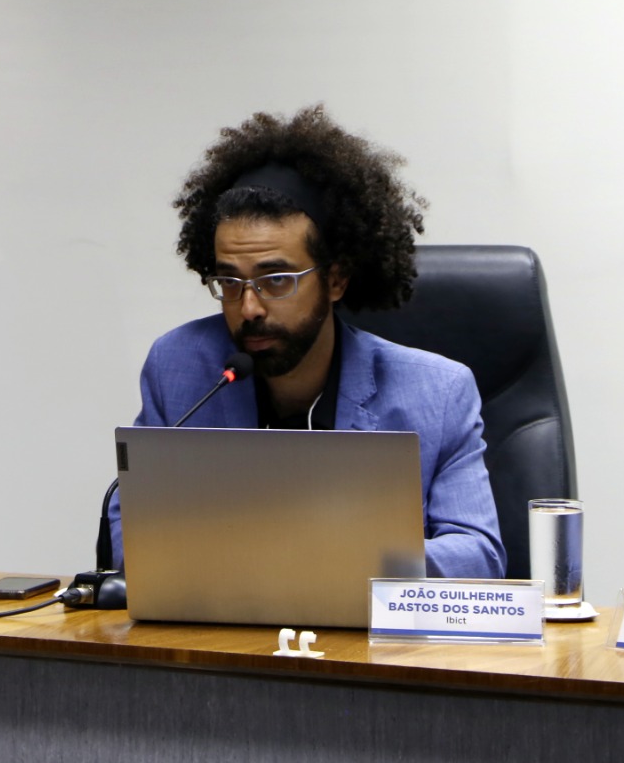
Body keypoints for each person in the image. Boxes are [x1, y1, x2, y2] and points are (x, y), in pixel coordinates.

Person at [109, 106, 504, 579]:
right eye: (230, 282)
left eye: (276, 280)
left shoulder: (437, 393)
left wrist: (331, 557)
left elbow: (479, 556)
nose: (249, 308)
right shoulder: (178, 370)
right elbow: (130, 531)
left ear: (335, 280)